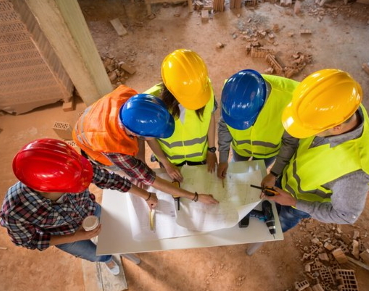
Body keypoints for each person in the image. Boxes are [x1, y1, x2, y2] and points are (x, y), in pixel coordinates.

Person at [0, 139, 156, 275]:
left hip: (90, 211)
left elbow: (111, 179)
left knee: (115, 234)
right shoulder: (15, 210)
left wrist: (147, 196)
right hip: (64, 234)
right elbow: (30, 241)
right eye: (75, 184)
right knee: (94, 255)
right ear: (46, 189)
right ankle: (106, 259)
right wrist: (76, 237)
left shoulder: (74, 166)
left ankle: (118, 248)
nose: (82, 181)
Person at [261, 69, 369, 232]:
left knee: (276, 226)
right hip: (285, 179)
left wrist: (294, 202)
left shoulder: (355, 172)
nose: (306, 132)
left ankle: (273, 230)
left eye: (310, 129)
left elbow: (346, 215)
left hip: (298, 203)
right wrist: (275, 174)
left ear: (337, 128)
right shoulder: (340, 104)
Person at [72, 85, 219, 205]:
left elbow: (143, 139)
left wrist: (141, 162)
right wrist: (195, 197)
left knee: (138, 169)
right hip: (91, 141)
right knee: (130, 174)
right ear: (136, 134)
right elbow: (150, 179)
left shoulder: (132, 100)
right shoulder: (111, 147)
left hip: (100, 118)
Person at [144, 49, 218, 182]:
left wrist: (211, 151)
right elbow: (150, 137)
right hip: (171, 159)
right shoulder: (151, 100)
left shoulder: (204, 89)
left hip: (199, 156)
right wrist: (165, 162)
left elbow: (210, 118)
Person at [217, 69, 299, 180]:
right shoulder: (231, 92)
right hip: (240, 149)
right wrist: (223, 159)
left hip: (267, 154)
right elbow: (224, 125)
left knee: (254, 175)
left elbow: (290, 142)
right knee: (235, 171)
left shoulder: (289, 100)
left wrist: (274, 174)